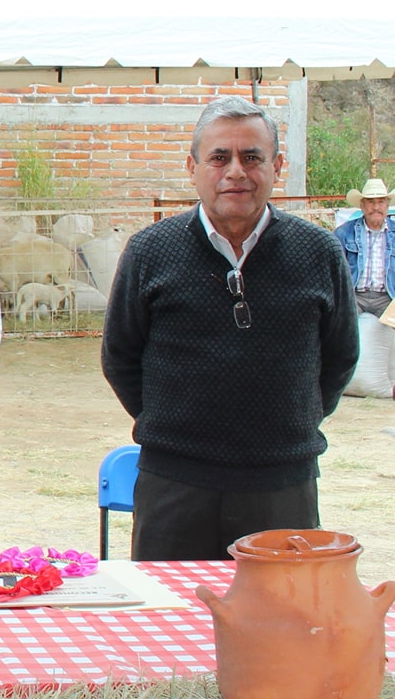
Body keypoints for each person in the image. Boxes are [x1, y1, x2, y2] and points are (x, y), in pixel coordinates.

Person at [101, 96, 358, 561]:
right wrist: (174, 427)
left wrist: (290, 424)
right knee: (170, 619)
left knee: (279, 619)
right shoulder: (149, 251)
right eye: (219, 157)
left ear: (277, 166)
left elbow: (340, 356)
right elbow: (120, 357)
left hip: (282, 483)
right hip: (174, 484)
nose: (236, 171)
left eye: (252, 157)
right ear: (193, 167)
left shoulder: (319, 252)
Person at [334, 177, 395, 405]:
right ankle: (330, 380)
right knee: (331, 324)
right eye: (371, 202)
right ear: (362, 206)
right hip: (354, 294)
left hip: (388, 296)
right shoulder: (344, 233)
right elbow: (333, 271)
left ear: (388, 205)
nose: (377, 207)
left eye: (381, 202)